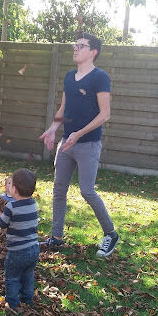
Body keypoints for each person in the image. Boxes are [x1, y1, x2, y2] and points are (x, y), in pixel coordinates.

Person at [38, 32, 120, 258]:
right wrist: (53, 129)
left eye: (81, 46)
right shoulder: (69, 76)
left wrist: (79, 133)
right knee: (58, 190)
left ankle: (110, 234)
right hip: (67, 143)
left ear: (93, 52)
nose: (75, 48)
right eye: (75, 45)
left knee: (86, 190)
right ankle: (56, 237)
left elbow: (105, 114)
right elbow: (64, 109)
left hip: (88, 144)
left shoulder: (99, 77)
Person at [0, 169, 39, 309]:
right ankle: (27, 298)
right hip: (34, 248)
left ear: (14, 189)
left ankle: (12, 303)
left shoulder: (12, 207)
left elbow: (2, 224)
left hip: (17, 251)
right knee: (28, 275)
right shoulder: (33, 204)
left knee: (12, 277)